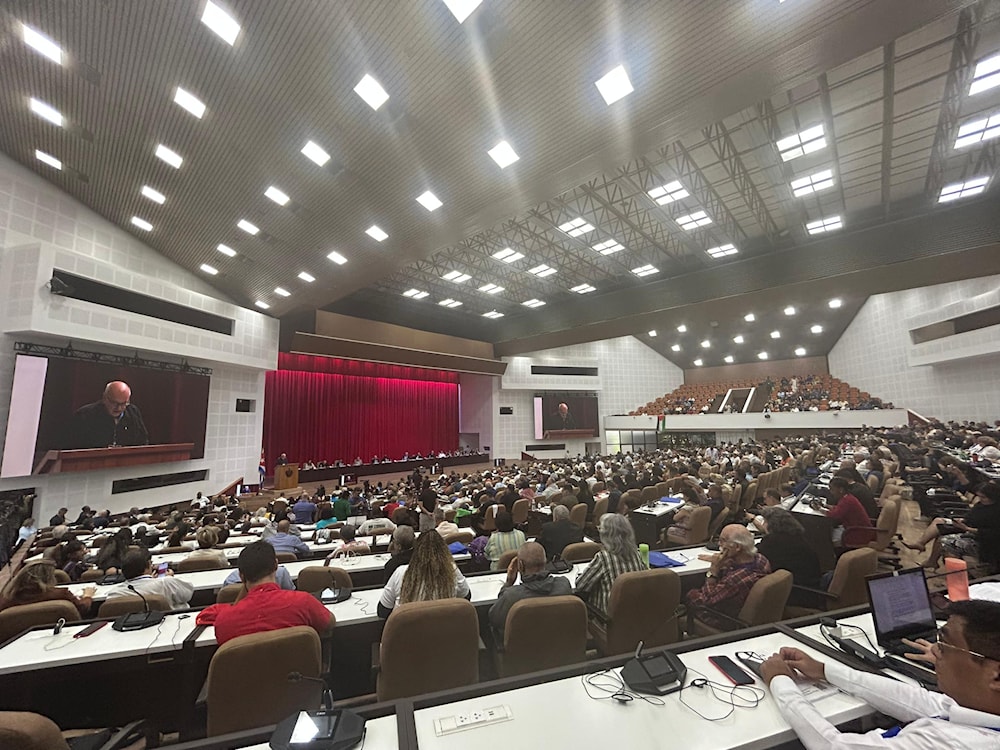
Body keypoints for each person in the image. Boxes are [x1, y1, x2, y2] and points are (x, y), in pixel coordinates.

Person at [761, 599, 1000, 748]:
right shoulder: (982, 709)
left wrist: (780, 681)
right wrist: (824, 670)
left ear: (996, 675)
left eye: (944, 644)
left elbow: (833, 745)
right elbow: (923, 701)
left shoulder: (950, 743)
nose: (934, 651)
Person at [195, 541, 334, 645]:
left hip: (245, 683)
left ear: (241, 577)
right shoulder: (303, 601)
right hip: (299, 680)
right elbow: (329, 623)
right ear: (276, 565)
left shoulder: (224, 620)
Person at [686, 525, 771, 628]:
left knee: (687, 590)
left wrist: (713, 570)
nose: (719, 544)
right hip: (745, 608)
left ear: (738, 547)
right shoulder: (761, 559)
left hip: (724, 618)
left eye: (723, 541)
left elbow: (706, 601)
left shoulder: (734, 580)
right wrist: (727, 562)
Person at [488, 541, 572, 644]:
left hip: (522, 654)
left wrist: (509, 583)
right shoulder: (564, 585)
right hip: (559, 649)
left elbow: (494, 618)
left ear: (520, 565)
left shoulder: (512, 596)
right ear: (545, 562)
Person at [904, 480, 1000, 569]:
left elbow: (992, 533)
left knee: (944, 540)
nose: (980, 499)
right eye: (979, 496)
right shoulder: (981, 505)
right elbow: (971, 515)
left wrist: (967, 528)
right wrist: (962, 520)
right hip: (966, 527)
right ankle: (921, 545)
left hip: (982, 539)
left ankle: (953, 573)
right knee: (939, 522)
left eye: (983, 497)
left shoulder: (996, 512)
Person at [377, 530, 469, 619]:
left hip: (407, 632)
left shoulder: (400, 572)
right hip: (443, 631)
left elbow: (383, 611)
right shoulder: (451, 569)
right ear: (444, 550)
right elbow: (466, 596)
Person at [574, 514, 646, 621]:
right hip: (634, 614)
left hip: (606, 619)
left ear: (606, 535)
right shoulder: (636, 554)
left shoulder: (603, 558)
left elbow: (580, 585)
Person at [755, 507, 821, 605]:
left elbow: (753, 555)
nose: (763, 524)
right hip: (810, 589)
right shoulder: (798, 537)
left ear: (771, 524)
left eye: (765, 521)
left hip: (794, 595)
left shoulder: (772, 541)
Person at [67, 380, 149, 449]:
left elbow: (142, 442)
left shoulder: (133, 412)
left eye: (124, 403)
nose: (119, 408)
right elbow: (73, 446)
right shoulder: (84, 415)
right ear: (104, 398)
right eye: (114, 403)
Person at [106, 548, 194, 610]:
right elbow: (188, 595)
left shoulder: (114, 594)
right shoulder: (166, 582)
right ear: (148, 565)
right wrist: (170, 577)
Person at [0, 560, 95, 617]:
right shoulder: (61, 594)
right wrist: (87, 596)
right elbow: (82, 609)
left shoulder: (6, 601)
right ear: (48, 577)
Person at [824, 477, 874, 548]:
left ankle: (837, 557)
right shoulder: (848, 497)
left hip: (858, 534)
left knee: (827, 540)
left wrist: (820, 509)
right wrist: (826, 506)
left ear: (841, 490)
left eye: (832, 489)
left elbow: (835, 515)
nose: (830, 492)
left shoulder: (847, 501)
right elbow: (839, 509)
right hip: (858, 529)